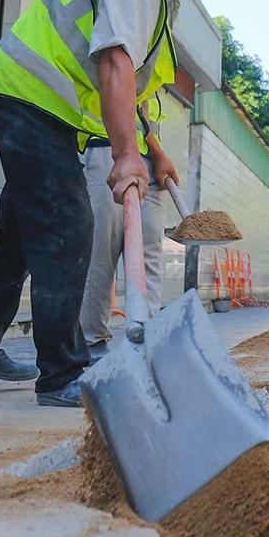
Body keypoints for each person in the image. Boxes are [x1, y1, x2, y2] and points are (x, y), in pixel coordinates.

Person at [0, 0, 255, 407]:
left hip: (44, 107)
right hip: (27, 95)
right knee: (67, 225)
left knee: (23, 232)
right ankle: (62, 373)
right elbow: (113, 63)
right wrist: (126, 156)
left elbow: (130, 82)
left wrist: (151, 149)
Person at [80, 100, 174, 361]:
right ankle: (92, 342)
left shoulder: (155, 64)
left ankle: (146, 338)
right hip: (105, 147)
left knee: (148, 253)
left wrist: (156, 151)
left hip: (144, 158)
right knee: (101, 250)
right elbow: (117, 91)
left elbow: (140, 107)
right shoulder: (118, 58)